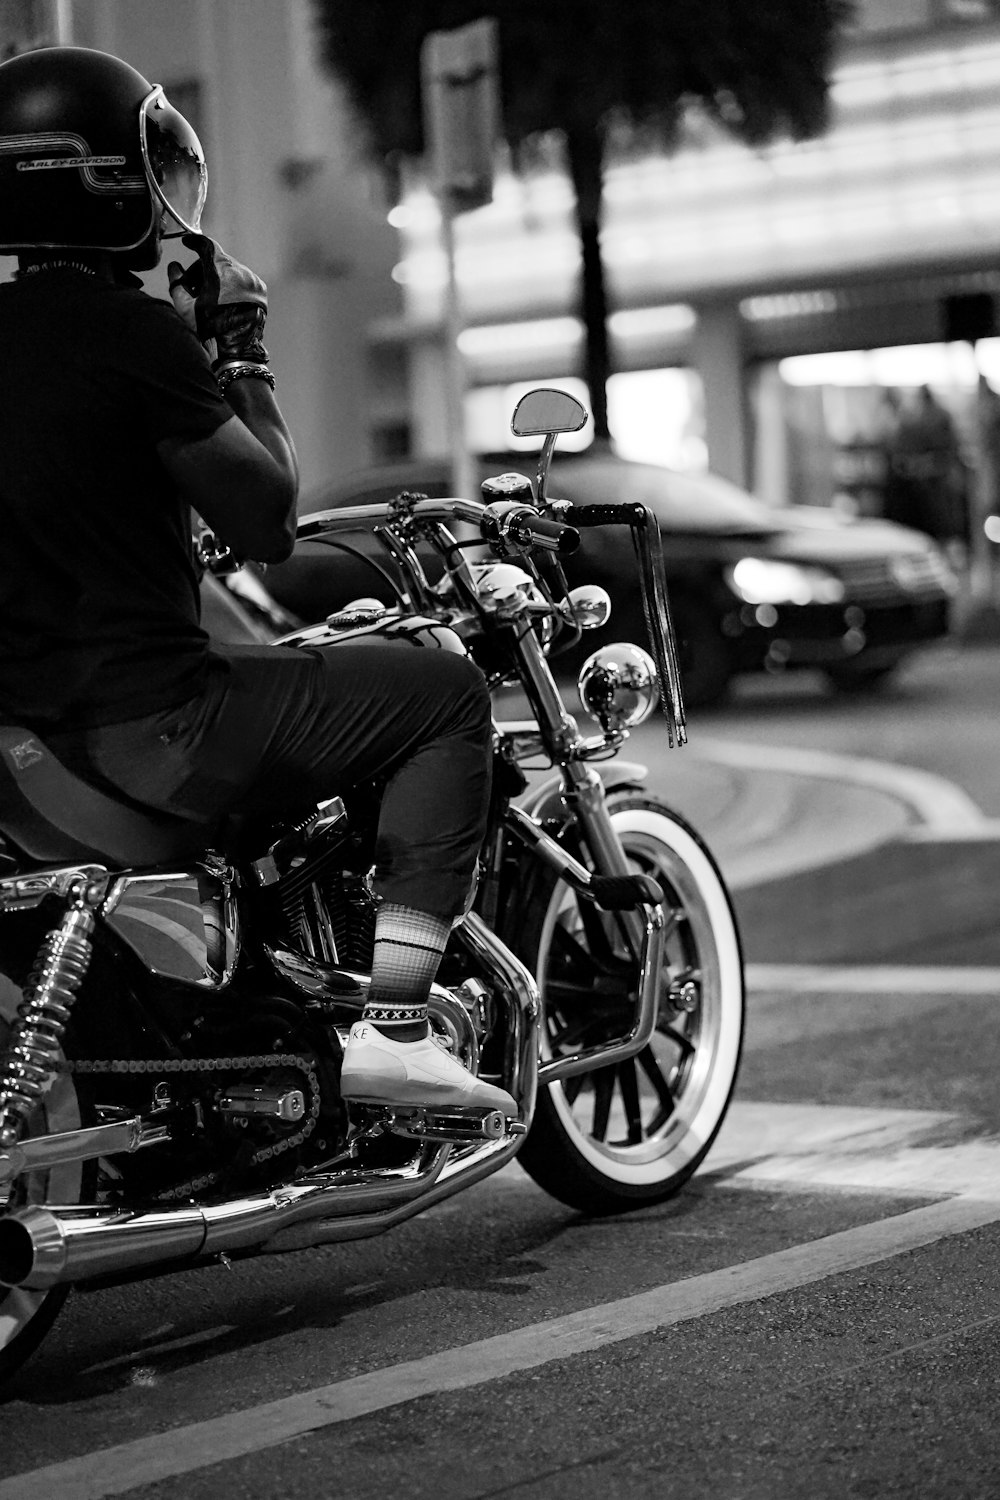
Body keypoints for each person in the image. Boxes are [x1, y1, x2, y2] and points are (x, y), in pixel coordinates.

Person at [0, 45, 514, 1118]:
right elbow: (270, 518)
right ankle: (399, 1022)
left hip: (23, 756)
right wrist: (239, 342)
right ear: (108, 178)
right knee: (442, 696)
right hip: (148, 737)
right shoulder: (131, 336)